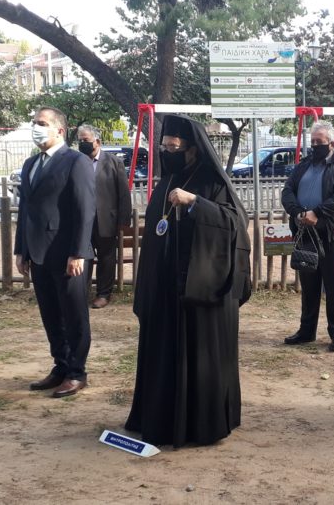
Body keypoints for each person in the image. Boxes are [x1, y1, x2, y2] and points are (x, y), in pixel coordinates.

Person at [125, 114, 252, 447]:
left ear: (193, 148)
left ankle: (200, 423)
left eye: (174, 147)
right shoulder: (166, 181)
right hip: (165, 288)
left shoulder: (213, 182)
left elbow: (235, 223)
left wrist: (196, 203)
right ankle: (160, 418)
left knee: (198, 357)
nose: (168, 152)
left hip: (201, 290)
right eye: (164, 147)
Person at [15, 106, 96, 398]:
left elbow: (85, 209)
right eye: (33, 122)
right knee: (51, 315)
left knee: (73, 316)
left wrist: (79, 252)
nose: (35, 127)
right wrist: (21, 249)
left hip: (67, 254)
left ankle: (76, 372)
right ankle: (60, 365)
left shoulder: (76, 161)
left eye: (42, 123)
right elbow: (26, 209)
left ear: (59, 130)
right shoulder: (30, 164)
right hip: (38, 253)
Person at [280, 120, 334, 351]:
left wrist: (316, 213)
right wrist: (299, 213)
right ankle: (306, 331)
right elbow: (287, 191)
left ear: (331, 143)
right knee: (309, 286)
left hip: (331, 235)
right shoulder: (303, 166)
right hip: (304, 233)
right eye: (312, 141)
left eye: (319, 142)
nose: (314, 145)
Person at [76, 124, 133, 309]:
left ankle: (103, 294)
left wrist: (124, 220)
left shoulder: (113, 162)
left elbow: (123, 193)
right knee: (83, 258)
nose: (82, 143)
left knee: (106, 258)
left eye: (86, 140)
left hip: (106, 220)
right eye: (80, 140)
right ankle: (81, 294)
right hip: (83, 221)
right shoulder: (76, 162)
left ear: (97, 142)